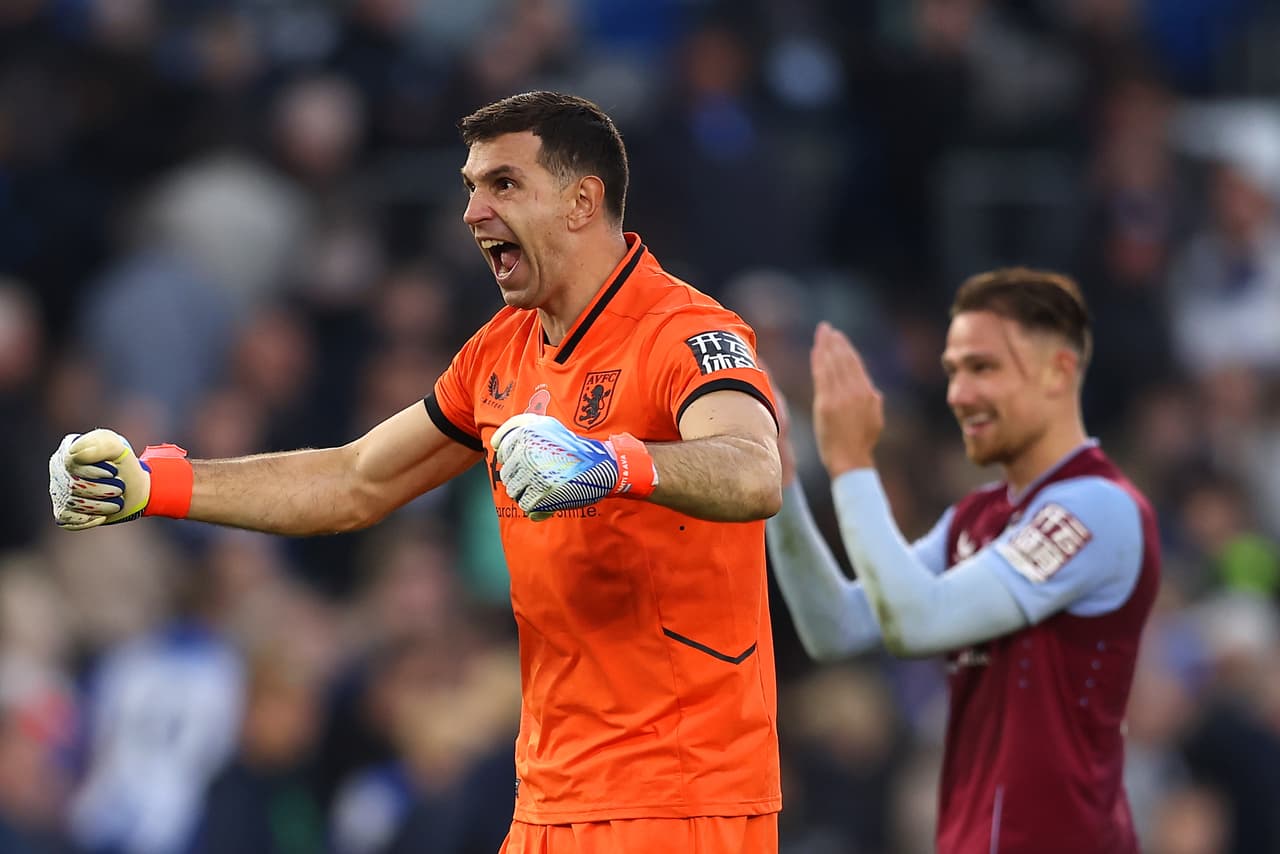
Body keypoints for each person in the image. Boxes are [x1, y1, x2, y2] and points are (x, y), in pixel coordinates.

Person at [49, 92, 784, 854]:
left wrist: (610, 463)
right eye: (470, 187)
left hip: (683, 802)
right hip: (549, 801)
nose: (473, 212)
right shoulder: (498, 353)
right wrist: (153, 485)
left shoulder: (685, 330)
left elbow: (754, 469)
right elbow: (355, 479)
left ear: (581, 201)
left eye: (503, 184)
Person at [767, 268, 1160, 854]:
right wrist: (782, 490)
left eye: (984, 368)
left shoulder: (1099, 509)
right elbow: (836, 626)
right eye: (953, 371)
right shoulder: (973, 518)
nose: (958, 395)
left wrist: (852, 460)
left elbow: (916, 621)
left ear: (1058, 371)